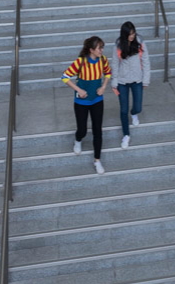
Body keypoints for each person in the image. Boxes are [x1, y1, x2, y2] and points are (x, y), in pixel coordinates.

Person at [61, 36, 111, 174]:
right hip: (81, 102)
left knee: (97, 131)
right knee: (82, 129)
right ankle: (78, 139)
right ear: (91, 50)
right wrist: (79, 90)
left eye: (102, 47)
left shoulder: (103, 60)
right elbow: (64, 77)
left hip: (97, 101)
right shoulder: (80, 62)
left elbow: (108, 72)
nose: (101, 50)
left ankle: (97, 160)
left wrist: (103, 87)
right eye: (99, 48)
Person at [111, 22, 151, 149]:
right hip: (122, 81)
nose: (132, 36)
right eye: (129, 34)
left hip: (137, 80)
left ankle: (134, 113)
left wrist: (146, 80)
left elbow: (146, 61)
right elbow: (115, 64)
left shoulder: (140, 42)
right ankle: (126, 135)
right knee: (123, 110)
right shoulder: (118, 46)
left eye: (133, 33)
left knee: (138, 107)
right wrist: (114, 81)